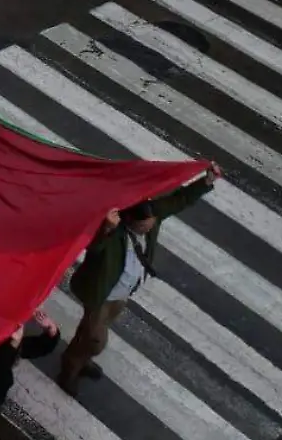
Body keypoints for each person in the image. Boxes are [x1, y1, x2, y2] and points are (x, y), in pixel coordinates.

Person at [59, 167, 221, 397]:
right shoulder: (113, 231)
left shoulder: (153, 215)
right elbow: (94, 249)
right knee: (96, 340)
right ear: (130, 220)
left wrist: (206, 181)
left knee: (88, 333)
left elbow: (180, 199)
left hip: (122, 294)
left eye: (151, 222)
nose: (149, 227)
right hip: (101, 293)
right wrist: (106, 228)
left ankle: (80, 359)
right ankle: (70, 368)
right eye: (143, 225)